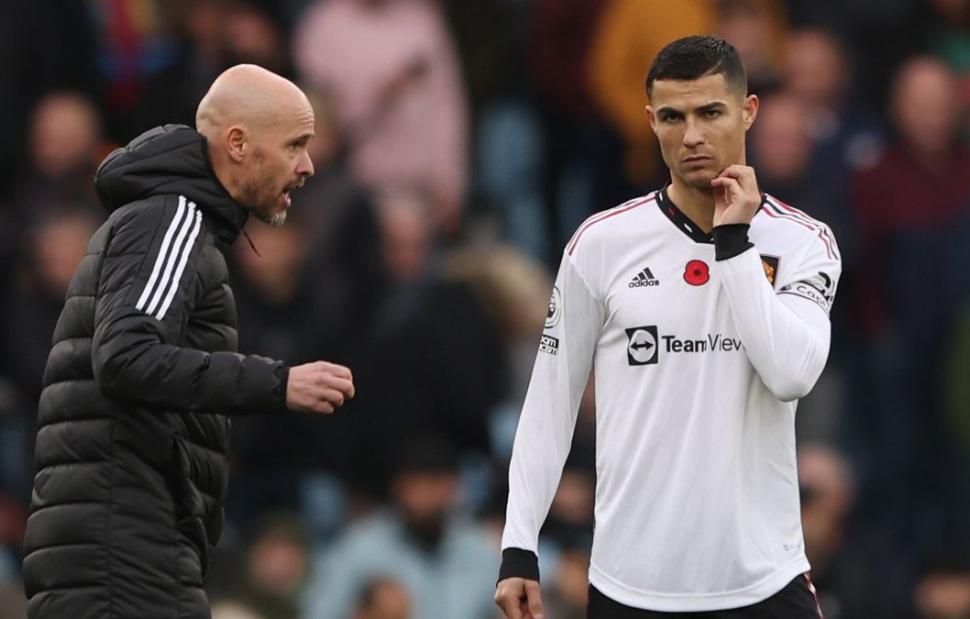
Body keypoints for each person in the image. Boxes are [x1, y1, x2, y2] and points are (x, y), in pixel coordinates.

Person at [495, 36, 840, 618]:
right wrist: (518, 543)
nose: (692, 135)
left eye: (711, 112)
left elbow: (790, 375)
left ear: (748, 111)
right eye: (674, 117)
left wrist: (733, 244)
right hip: (631, 584)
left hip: (762, 582)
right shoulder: (601, 244)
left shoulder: (803, 242)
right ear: (651, 121)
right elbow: (549, 402)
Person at [21, 64, 356, 618]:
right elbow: (126, 358)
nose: (308, 165)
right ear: (238, 144)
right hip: (121, 549)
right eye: (295, 144)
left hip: (119, 543)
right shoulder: (171, 218)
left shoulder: (175, 221)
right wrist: (278, 383)